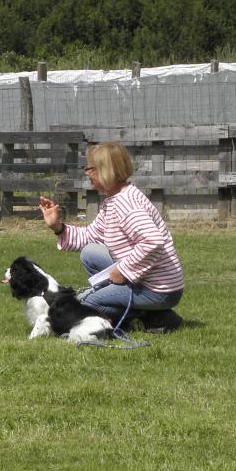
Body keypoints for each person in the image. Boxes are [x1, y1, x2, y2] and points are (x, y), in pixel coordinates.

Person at [37, 141, 185, 332]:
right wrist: (58, 227)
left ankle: (152, 318)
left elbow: (153, 241)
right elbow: (89, 236)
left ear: (105, 170)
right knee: (90, 253)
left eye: (90, 168)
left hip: (159, 290)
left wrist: (123, 270)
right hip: (144, 279)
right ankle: (152, 316)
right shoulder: (114, 200)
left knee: (86, 302)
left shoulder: (127, 204)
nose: (86, 173)